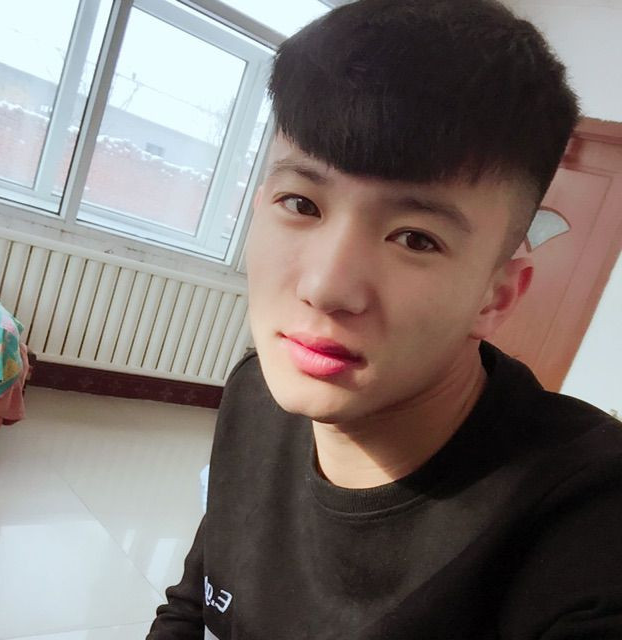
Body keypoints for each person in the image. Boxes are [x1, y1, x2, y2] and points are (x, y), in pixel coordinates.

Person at [148, 0, 622, 637]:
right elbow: (195, 605)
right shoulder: (255, 391)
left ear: (497, 296)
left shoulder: (588, 521)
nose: (325, 288)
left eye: (415, 238)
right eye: (301, 203)